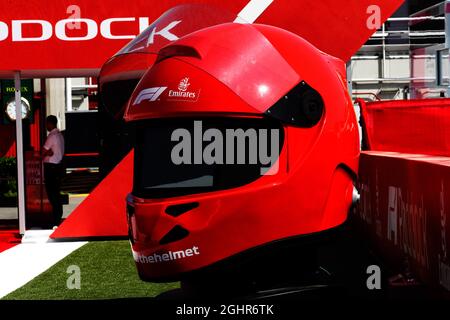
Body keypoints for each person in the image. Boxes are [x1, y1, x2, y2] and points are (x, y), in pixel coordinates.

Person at [42, 115, 65, 227]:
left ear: (51, 124)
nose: (46, 126)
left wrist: (47, 153)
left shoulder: (51, 136)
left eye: (47, 123)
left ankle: (55, 219)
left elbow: (42, 152)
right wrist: (48, 152)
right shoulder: (60, 135)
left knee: (52, 194)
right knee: (56, 193)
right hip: (58, 166)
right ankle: (58, 217)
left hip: (51, 167)